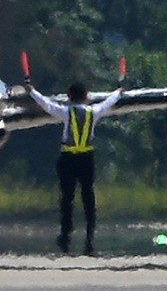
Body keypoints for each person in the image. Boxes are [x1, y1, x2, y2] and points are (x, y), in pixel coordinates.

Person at [25, 78, 122, 255]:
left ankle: (65, 235)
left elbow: (46, 104)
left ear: (69, 97)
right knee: (88, 197)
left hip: (68, 158)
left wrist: (31, 91)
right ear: (86, 96)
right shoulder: (94, 112)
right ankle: (89, 237)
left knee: (67, 198)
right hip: (86, 159)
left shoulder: (65, 112)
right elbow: (108, 102)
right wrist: (119, 91)